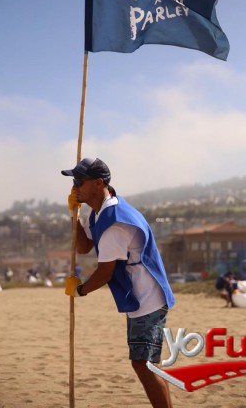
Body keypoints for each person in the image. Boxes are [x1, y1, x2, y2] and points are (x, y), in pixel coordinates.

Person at [63, 157, 175, 408]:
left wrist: (80, 290)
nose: (75, 186)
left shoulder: (115, 223)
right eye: (73, 181)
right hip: (139, 298)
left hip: (148, 298)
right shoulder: (99, 212)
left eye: (79, 181)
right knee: (148, 364)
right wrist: (75, 215)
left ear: (99, 182)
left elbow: (105, 273)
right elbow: (83, 247)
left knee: (143, 364)